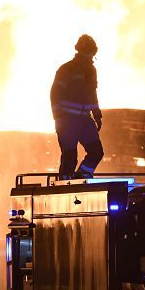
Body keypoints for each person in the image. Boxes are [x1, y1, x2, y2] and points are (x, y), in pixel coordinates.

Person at [51, 34, 104, 180]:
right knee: (70, 157)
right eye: (88, 52)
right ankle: (63, 185)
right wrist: (59, 118)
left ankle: (81, 176)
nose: (90, 57)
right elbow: (55, 94)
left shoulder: (92, 71)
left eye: (92, 53)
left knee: (97, 152)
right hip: (68, 121)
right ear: (80, 51)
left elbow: (92, 94)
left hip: (85, 120)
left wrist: (97, 114)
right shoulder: (66, 69)